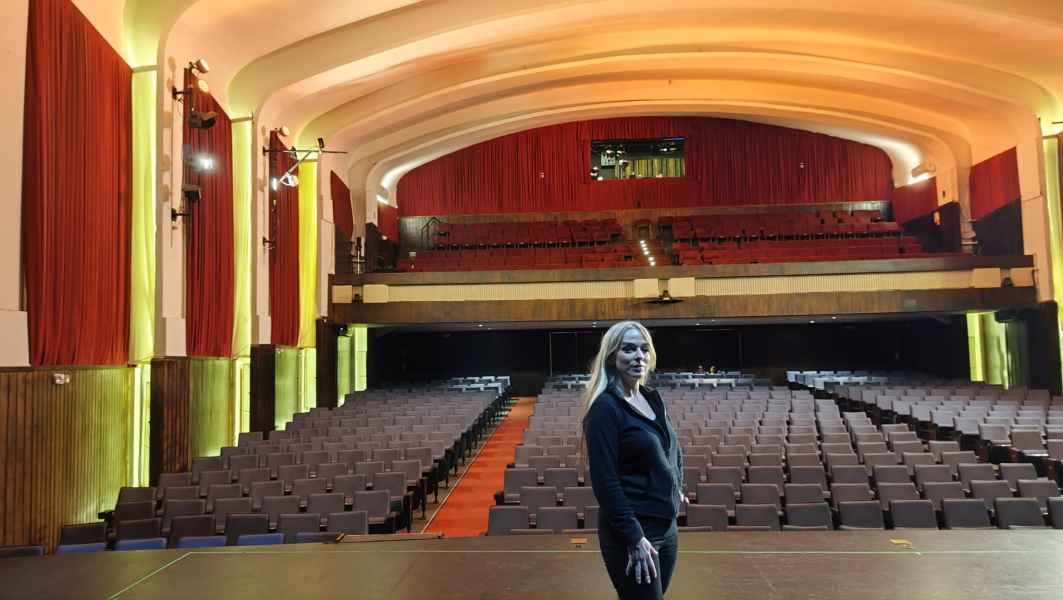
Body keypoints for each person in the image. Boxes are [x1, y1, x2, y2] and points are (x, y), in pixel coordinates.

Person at [581, 321, 684, 599]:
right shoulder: (604, 408)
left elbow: (672, 448)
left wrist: (676, 485)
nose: (639, 356)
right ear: (611, 357)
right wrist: (634, 537)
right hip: (633, 531)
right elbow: (605, 482)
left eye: (644, 349)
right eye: (628, 349)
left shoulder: (651, 398)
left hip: (666, 526)